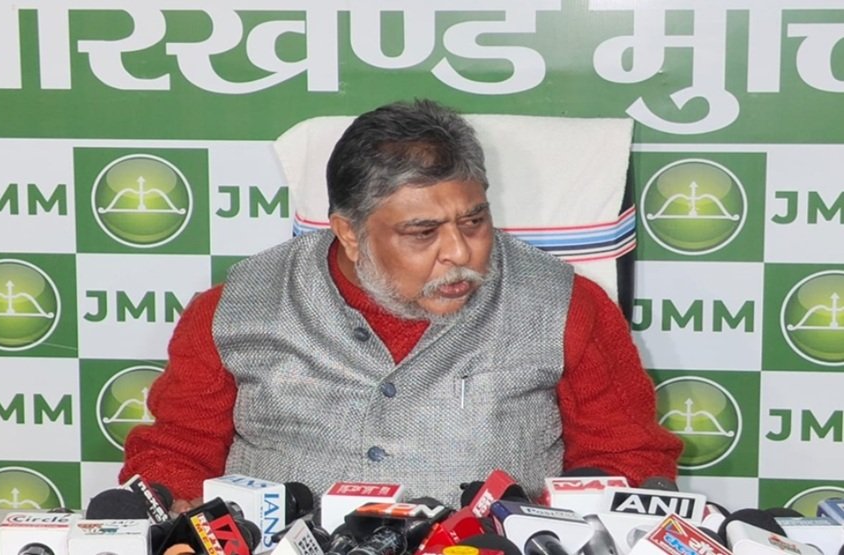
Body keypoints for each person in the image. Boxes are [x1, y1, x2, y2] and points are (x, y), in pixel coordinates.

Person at [120, 99, 682, 512]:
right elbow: (176, 453)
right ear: (350, 233)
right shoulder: (234, 310)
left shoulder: (566, 307)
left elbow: (629, 459)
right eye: (422, 232)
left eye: (474, 221)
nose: (459, 252)